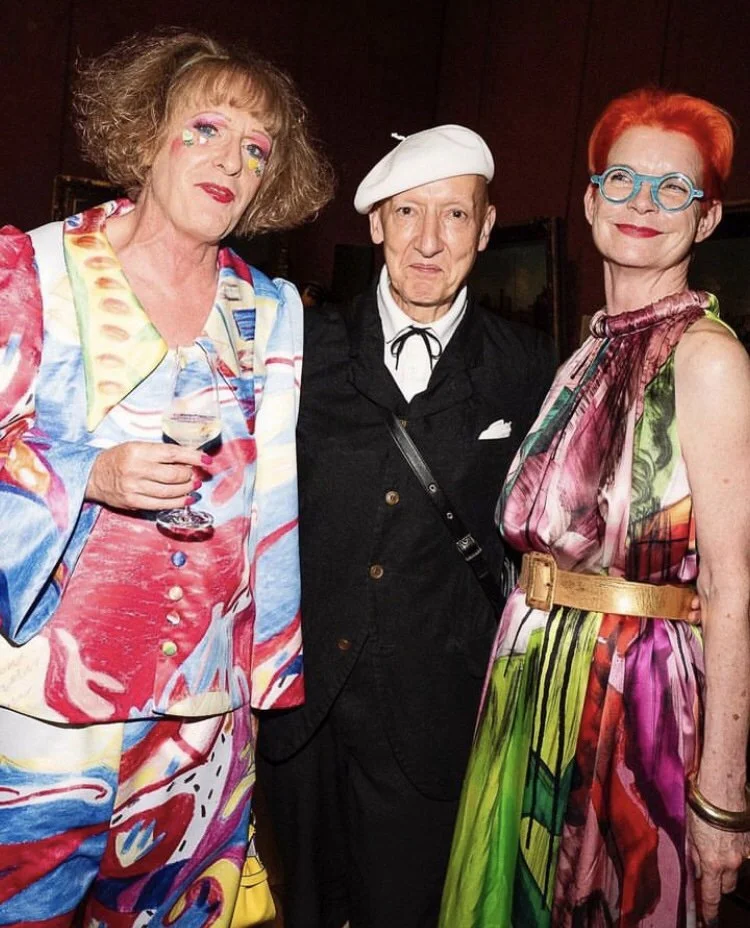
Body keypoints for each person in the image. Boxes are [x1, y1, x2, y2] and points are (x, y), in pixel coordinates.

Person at [0, 28, 332, 924]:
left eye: (256, 151)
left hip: (203, 720)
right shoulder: (32, 270)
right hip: (43, 715)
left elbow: (272, 511)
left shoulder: (269, 311)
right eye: (208, 130)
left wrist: (259, 685)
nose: (232, 161)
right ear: (149, 133)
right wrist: (89, 472)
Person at [440, 88, 750, 928]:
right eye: (623, 181)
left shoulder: (707, 357)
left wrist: (722, 793)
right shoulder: (586, 350)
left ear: (709, 219)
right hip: (533, 682)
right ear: (588, 199)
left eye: (674, 189)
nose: (644, 204)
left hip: (635, 701)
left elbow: (731, 585)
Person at [257, 125, 558, 927]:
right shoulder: (301, 349)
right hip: (300, 714)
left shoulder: (529, 369)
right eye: (408, 214)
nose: (429, 241)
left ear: (486, 229)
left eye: (455, 216)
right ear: (377, 223)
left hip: (436, 720)